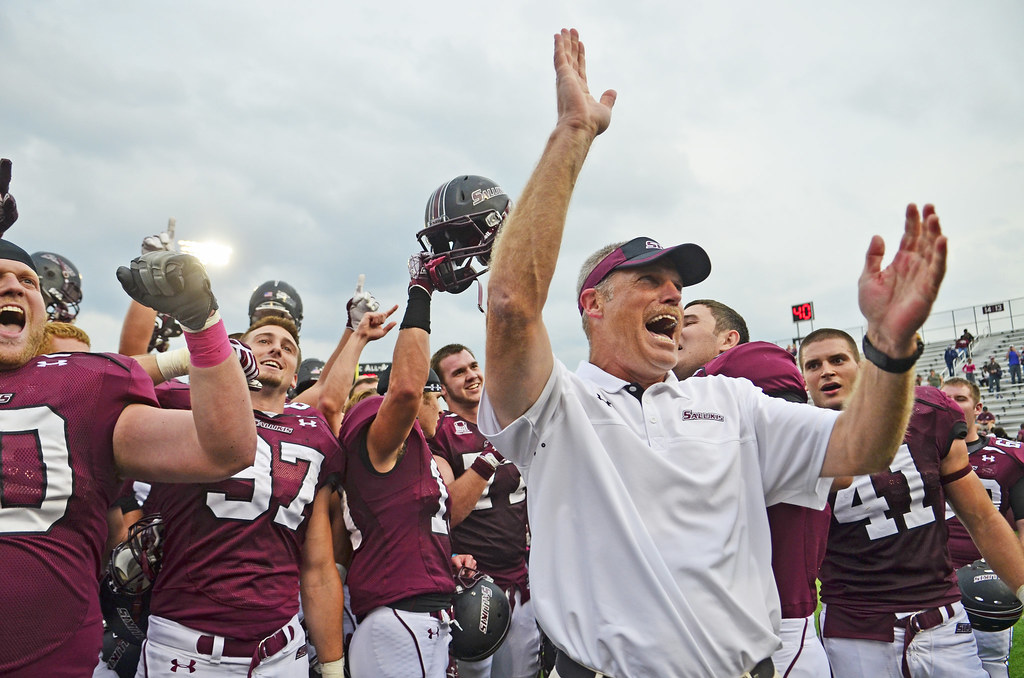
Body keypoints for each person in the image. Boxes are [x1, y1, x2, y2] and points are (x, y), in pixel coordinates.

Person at [478, 27, 950, 678]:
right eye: (649, 280)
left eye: (678, 285)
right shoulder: (556, 407)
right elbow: (511, 303)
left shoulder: (732, 402)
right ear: (593, 305)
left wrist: (891, 349)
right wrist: (573, 133)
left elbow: (862, 447)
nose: (673, 294)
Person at [0, 241, 257, 677]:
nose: (14, 287)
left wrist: (201, 323)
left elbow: (225, 451)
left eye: (28, 281)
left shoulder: (81, 383)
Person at [136, 312, 374, 677]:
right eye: (263, 341)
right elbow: (110, 376)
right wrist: (192, 357)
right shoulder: (188, 399)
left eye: (288, 347)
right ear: (238, 353)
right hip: (185, 646)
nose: (276, 349)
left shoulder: (312, 432)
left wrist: (332, 668)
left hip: (281, 651)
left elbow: (318, 567)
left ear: (294, 378)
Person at [799, 329, 1024, 678]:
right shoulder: (797, 438)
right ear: (804, 381)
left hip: (942, 617)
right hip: (855, 625)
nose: (827, 371)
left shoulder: (926, 413)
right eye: (814, 365)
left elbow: (981, 517)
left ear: (861, 367)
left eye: (837, 360)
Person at [679, 303, 833, 678]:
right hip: (715, 622)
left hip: (776, 624)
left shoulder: (751, 364)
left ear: (728, 340)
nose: (676, 329)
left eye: (689, 321)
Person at [338, 255, 470, 678]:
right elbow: (406, 389)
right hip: (399, 616)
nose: (443, 407)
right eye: (437, 397)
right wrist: (421, 291)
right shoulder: (383, 433)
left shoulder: (420, 451)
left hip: (419, 613)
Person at [429, 343, 539, 678]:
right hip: (472, 586)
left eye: (473, 366)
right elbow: (447, 511)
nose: (471, 375)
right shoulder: (439, 433)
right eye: (458, 372)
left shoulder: (511, 422)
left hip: (521, 577)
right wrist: (490, 456)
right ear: (442, 387)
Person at [942, 377, 1024, 678]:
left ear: (978, 408)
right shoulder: (918, 454)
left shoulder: (1008, 457)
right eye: (946, 399)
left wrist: (1013, 578)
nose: (952, 405)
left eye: (960, 399)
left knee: (990, 666)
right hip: (931, 580)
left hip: (987, 577)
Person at [671, 298, 748, 379]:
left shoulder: (744, 387)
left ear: (728, 340)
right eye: (673, 325)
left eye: (689, 323)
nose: (672, 331)